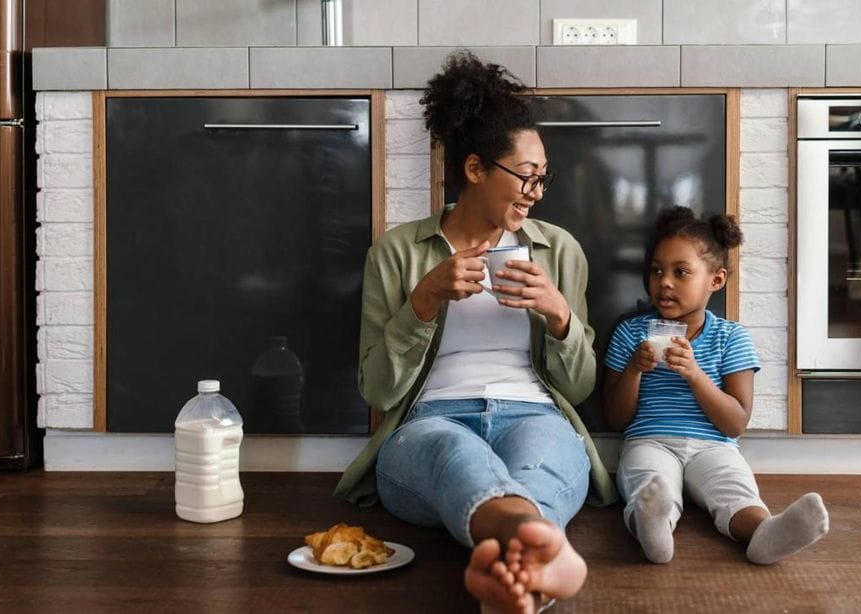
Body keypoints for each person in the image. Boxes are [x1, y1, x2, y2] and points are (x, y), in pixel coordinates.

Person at [334, 51, 616, 613]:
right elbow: (378, 391)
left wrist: (559, 316)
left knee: (545, 459)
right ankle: (534, 554)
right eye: (526, 176)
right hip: (428, 420)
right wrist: (423, 300)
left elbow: (579, 389)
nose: (537, 191)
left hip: (534, 411)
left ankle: (508, 571)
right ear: (474, 169)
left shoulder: (559, 251)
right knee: (454, 454)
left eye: (543, 178)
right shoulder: (398, 252)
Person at [602, 206, 829, 565]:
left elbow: (735, 422)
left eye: (681, 273)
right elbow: (615, 418)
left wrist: (694, 373)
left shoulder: (731, 337)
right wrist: (633, 370)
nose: (664, 282)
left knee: (734, 488)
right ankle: (653, 528)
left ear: (716, 280)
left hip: (714, 445)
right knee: (651, 483)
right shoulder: (631, 333)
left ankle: (763, 533)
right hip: (651, 439)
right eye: (657, 271)